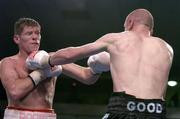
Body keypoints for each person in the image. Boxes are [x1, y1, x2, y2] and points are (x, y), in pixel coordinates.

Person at [28, 8, 174, 118]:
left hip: (123, 108)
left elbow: (70, 54)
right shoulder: (167, 49)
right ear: (151, 29)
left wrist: (45, 60)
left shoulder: (117, 39)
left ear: (130, 23)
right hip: (157, 112)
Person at [0, 18, 110, 119]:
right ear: (17, 38)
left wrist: (97, 68)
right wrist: (41, 72)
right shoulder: (8, 62)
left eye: (37, 33)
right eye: (29, 33)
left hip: (47, 115)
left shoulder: (52, 59)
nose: (35, 37)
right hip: (17, 115)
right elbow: (15, 92)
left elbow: (86, 77)